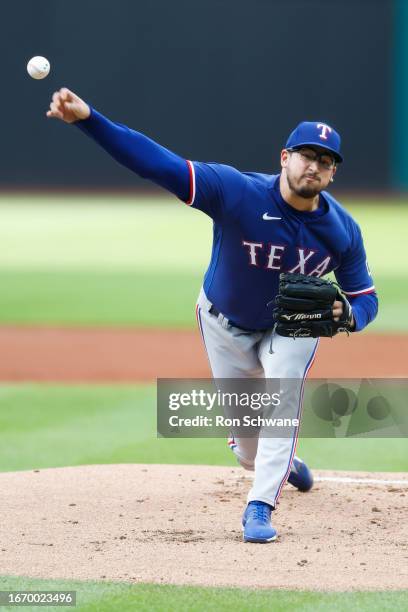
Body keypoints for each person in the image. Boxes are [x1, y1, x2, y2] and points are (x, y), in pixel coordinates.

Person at [47, 88, 378, 543]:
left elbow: (366, 296)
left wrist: (349, 315)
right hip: (224, 322)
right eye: (306, 155)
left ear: (333, 173)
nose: (314, 166)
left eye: (325, 161)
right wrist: (89, 119)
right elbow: (155, 162)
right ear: (285, 158)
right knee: (247, 450)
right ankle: (282, 465)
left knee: (282, 397)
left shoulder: (342, 230)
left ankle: (259, 507)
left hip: (292, 325)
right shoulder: (236, 191)